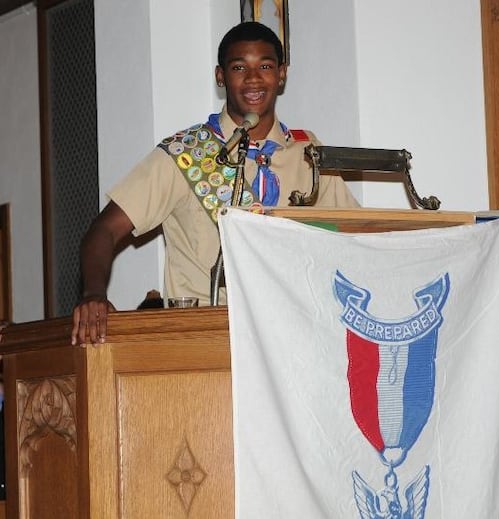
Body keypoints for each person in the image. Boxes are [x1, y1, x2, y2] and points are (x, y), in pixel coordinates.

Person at [71, 21, 359, 346]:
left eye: (265, 66)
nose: (253, 78)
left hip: (294, 337)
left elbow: (354, 233)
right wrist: (93, 293)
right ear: (221, 77)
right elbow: (103, 230)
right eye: (239, 67)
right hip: (209, 340)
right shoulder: (185, 154)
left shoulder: (310, 152)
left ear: (282, 74)